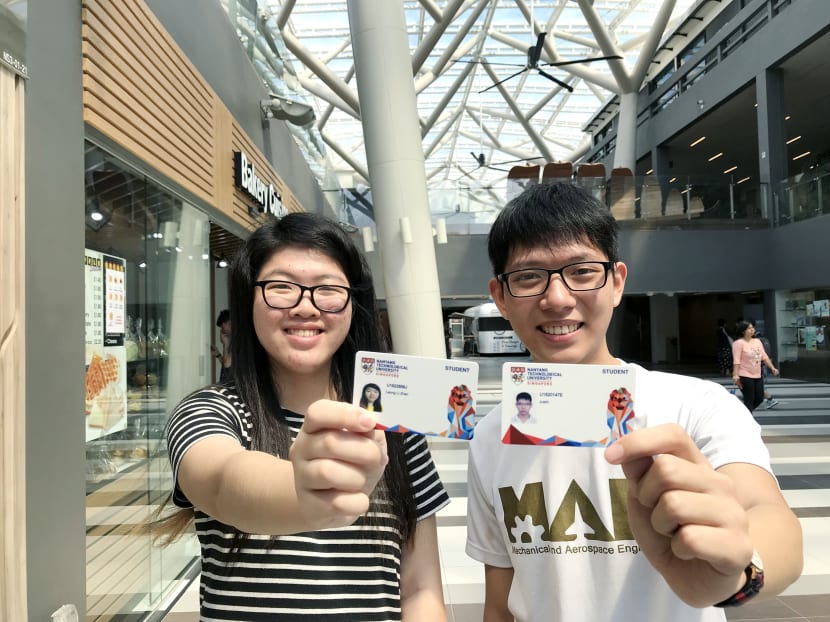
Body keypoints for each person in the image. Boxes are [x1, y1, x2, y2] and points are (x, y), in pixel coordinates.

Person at [465, 182, 802, 622]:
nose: (557, 299)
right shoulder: (491, 437)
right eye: (529, 277)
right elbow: (501, 600)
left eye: (582, 271)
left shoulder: (694, 405)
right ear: (500, 298)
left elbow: (770, 516)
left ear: (617, 282)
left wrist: (739, 575)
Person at [157, 213, 449, 620]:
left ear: (353, 303)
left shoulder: (394, 425)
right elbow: (224, 484)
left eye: (328, 289)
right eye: (281, 288)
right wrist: (307, 491)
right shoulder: (210, 411)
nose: (305, 307)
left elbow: (420, 589)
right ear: (249, 300)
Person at [732, 320, 779, 412]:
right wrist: (736, 375)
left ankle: (743, 414)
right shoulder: (738, 343)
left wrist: (772, 367)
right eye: (749, 328)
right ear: (743, 331)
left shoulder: (757, 341)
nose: (752, 330)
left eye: (752, 328)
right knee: (749, 399)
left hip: (757, 374)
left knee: (759, 398)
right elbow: (736, 360)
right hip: (744, 375)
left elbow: (764, 356)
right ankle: (747, 419)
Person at [210, 308, 233, 383]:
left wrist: (225, 344)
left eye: (223, 327)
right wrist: (218, 355)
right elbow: (227, 365)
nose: (222, 331)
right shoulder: (233, 340)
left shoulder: (239, 340)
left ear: (229, 323)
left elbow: (227, 365)